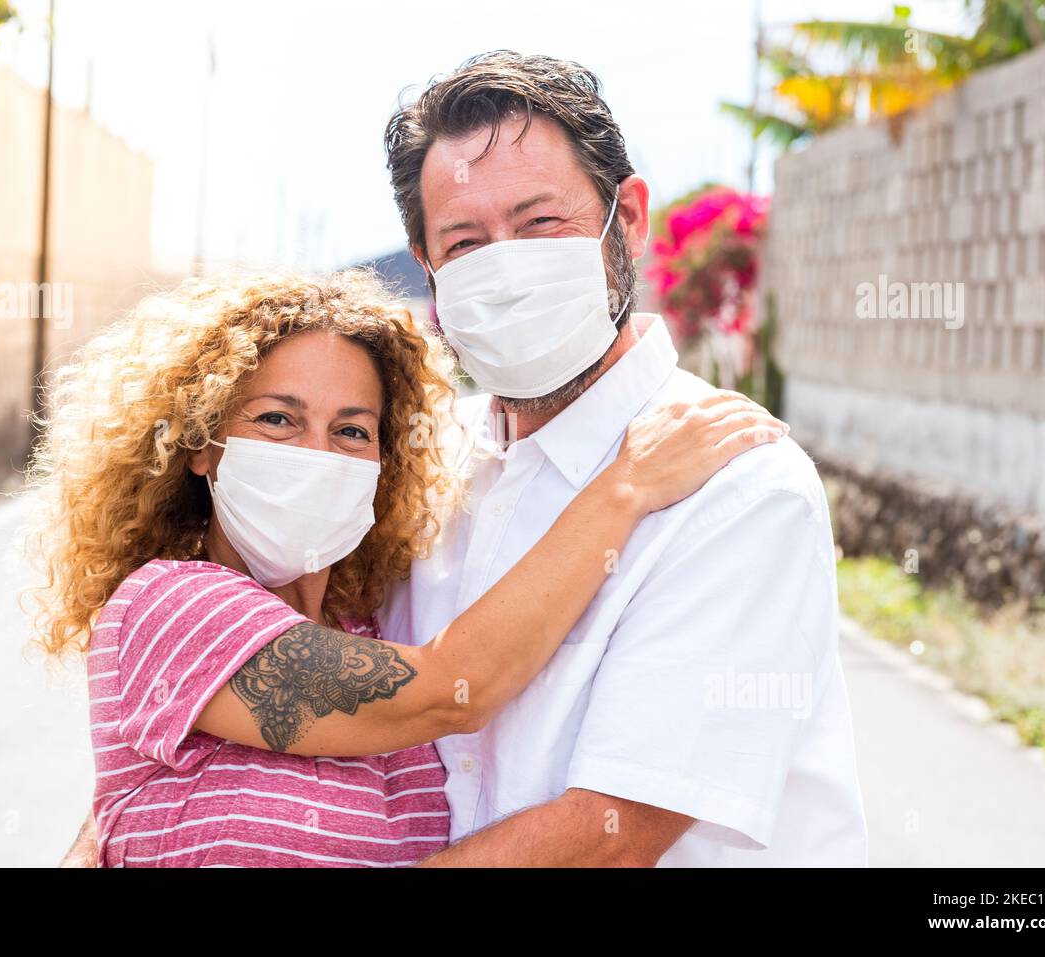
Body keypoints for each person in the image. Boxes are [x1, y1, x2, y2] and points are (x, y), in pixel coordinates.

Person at [30, 268, 784, 867]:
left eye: (351, 429)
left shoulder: (374, 622)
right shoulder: (170, 603)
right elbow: (456, 689)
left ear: (383, 464)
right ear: (201, 445)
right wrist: (626, 485)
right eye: (277, 418)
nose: (316, 453)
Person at [370, 50, 869, 866]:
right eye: (464, 243)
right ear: (425, 266)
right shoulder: (417, 466)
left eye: (541, 224)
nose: (506, 267)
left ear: (628, 219)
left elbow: (608, 837)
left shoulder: (735, 486)